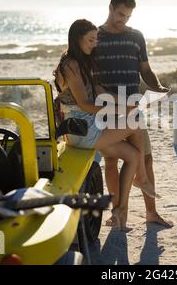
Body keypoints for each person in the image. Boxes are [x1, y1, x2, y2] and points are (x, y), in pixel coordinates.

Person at [53, 19, 157, 232]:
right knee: (135, 123)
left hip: (85, 127)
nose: (94, 43)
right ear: (77, 39)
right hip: (82, 129)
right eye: (90, 39)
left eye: (96, 39)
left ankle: (119, 212)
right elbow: (84, 104)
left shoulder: (82, 62)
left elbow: (100, 92)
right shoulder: (70, 64)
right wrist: (121, 110)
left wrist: (125, 104)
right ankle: (142, 178)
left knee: (133, 156)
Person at [94, 0, 174, 228]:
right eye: (120, 14)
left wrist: (157, 87)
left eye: (128, 16)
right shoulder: (95, 38)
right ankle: (118, 215)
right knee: (111, 163)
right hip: (108, 109)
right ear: (110, 7)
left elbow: (145, 70)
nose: (123, 20)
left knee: (146, 160)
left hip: (134, 109)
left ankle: (151, 213)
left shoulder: (136, 36)